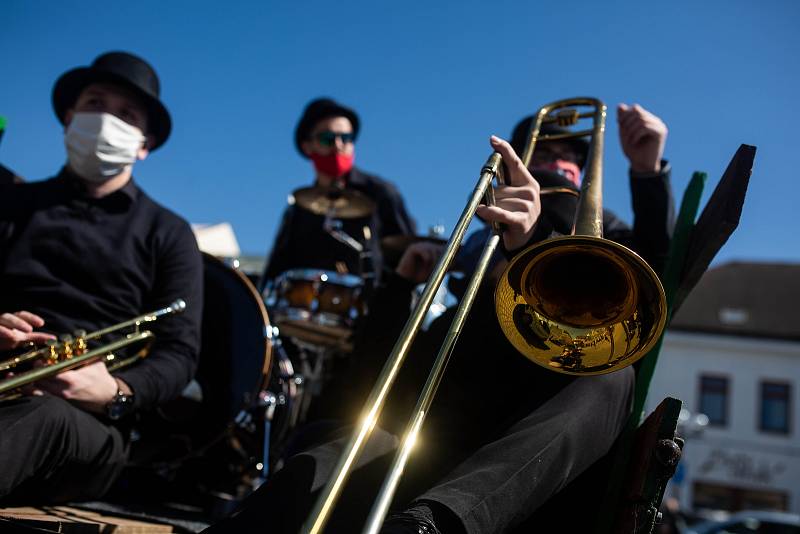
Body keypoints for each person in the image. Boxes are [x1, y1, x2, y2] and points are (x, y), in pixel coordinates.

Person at [205, 102, 673, 534]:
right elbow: (377, 379)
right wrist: (399, 288)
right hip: (438, 421)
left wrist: (646, 172)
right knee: (317, 467)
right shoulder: (475, 243)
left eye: (571, 152)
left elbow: (653, 287)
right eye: (545, 150)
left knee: (613, 378)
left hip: (534, 440)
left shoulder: (607, 232)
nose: (560, 158)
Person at [0, 51, 203, 504]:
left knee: (42, 416)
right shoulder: (10, 206)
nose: (107, 118)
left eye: (126, 114)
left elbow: (180, 352)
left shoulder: (169, 233)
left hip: (89, 428)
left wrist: (117, 391)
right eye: (95, 103)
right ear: (70, 116)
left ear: (144, 143)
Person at [259, 97, 416, 289]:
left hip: (372, 307)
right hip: (303, 309)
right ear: (307, 146)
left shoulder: (381, 192)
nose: (338, 145)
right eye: (328, 138)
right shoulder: (297, 207)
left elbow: (406, 252)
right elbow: (276, 269)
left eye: (346, 138)